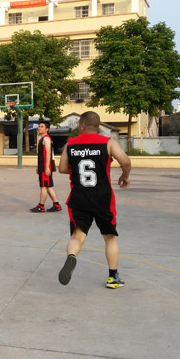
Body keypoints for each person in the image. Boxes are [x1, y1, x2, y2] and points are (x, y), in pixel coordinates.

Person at [57, 111, 131, 289]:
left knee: (77, 236)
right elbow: (125, 161)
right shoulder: (108, 142)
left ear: (82, 125)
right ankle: (113, 277)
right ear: (97, 126)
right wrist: (125, 175)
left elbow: (62, 168)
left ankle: (72, 257)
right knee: (109, 237)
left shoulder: (70, 144)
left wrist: (76, 167)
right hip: (102, 198)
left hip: (79, 197)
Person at [30, 121, 63, 213]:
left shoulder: (46, 139)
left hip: (46, 166)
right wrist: (39, 167)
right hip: (43, 166)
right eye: (39, 126)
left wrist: (47, 167)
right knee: (47, 186)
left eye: (42, 126)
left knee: (44, 186)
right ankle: (56, 205)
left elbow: (48, 152)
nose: (39, 128)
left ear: (47, 129)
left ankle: (41, 206)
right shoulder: (42, 139)